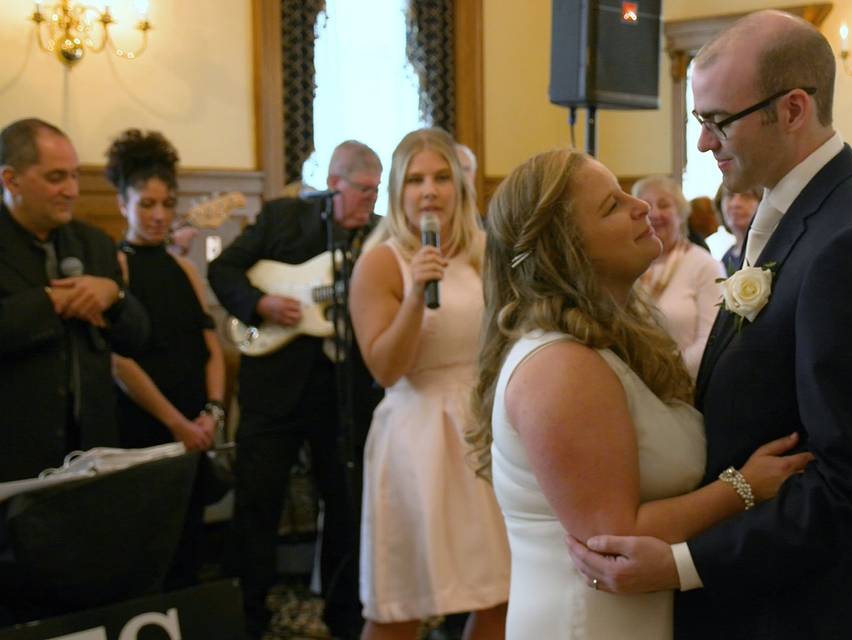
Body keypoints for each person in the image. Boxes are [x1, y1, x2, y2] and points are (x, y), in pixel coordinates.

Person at [566, 11, 852, 640]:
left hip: (807, 611)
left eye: (717, 121)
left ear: (791, 110)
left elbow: (848, 485)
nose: (704, 142)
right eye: (698, 121)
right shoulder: (800, 209)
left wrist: (682, 563)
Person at [468, 147, 812, 639]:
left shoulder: (603, 342)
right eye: (612, 206)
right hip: (585, 622)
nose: (642, 207)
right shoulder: (560, 366)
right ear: (563, 249)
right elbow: (615, 534)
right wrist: (744, 487)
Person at [208, 140, 384, 640]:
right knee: (256, 506)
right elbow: (222, 271)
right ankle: (246, 618)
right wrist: (260, 304)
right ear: (334, 184)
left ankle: (345, 618)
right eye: (361, 191)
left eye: (376, 192)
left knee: (347, 509)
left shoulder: (378, 238)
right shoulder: (283, 219)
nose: (368, 202)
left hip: (344, 397)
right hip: (273, 394)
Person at [348, 128, 509, 640]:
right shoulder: (381, 262)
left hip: (483, 432)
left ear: (460, 186)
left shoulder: (484, 253)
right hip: (416, 438)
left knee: (498, 595)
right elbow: (384, 368)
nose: (429, 190)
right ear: (397, 191)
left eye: (441, 177)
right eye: (415, 179)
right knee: (402, 608)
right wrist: (416, 291)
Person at [104, 129, 226, 588]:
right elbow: (120, 363)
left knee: (187, 547)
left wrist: (212, 412)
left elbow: (210, 348)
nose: (158, 216)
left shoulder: (183, 268)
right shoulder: (116, 267)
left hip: (195, 430)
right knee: (143, 550)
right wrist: (178, 424)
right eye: (146, 205)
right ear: (123, 205)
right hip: (143, 430)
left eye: (166, 204)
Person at [0, 118, 149, 485]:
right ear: (10, 180)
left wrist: (113, 297)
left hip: (89, 452)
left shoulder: (93, 244)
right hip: (13, 454)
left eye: (75, 176)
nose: (71, 190)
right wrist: (50, 302)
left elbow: (137, 337)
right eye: (56, 178)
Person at [632, 176, 724, 377]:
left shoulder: (705, 265)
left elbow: (710, 340)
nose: (655, 213)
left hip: (684, 384)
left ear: (681, 214)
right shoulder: (629, 265)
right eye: (647, 206)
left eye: (664, 205)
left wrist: (663, 374)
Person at [714, 185, 762, 275]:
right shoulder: (726, 259)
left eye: (747, 196)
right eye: (730, 195)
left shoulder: (768, 252)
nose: (736, 204)